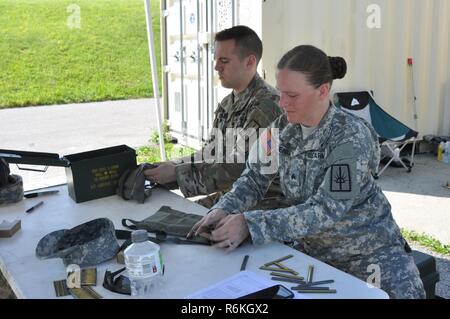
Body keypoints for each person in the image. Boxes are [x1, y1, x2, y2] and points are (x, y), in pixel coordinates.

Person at [188, 45, 426, 299]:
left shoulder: (349, 137)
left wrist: (250, 224)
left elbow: (327, 209)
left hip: (369, 258)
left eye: (292, 95)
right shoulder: (281, 129)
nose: (282, 103)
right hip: (313, 256)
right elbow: (254, 178)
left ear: (323, 91)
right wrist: (224, 208)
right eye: (280, 93)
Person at [144, 25, 285, 209]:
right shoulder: (229, 103)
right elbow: (212, 152)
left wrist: (176, 174)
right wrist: (169, 166)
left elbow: (240, 168)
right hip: (233, 196)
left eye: (224, 61)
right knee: (167, 214)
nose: (216, 67)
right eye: (216, 59)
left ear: (250, 62)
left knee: (183, 225)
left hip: (263, 204)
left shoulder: (266, 106)